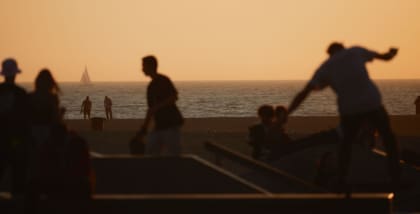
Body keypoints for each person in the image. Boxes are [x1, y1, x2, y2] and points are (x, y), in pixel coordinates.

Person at [287, 42, 401, 192]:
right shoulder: (355, 51)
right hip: (371, 103)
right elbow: (385, 57)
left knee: (345, 143)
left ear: (330, 54)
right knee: (388, 137)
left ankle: (342, 179)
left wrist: (288, 113)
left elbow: (304, 93)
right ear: (343, 48)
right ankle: (395, 175)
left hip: (350, 109)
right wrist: (392, 52)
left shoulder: (325, 67)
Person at [136, 55, 184, 155]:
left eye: (144, 66)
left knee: (174, 154)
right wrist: (144, 128)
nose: (142, 69)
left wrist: (158, 106)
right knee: (150, 152)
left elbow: (174, 97)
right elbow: (150, 110)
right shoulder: (150, 86)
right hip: (159, 126)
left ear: (151, 66)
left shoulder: (163, 80)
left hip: (171, 124)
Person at [0, 58, 29, 198]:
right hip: (16, 139)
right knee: (18, 175)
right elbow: (26, 119)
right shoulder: (21, 93)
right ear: (15, 74)